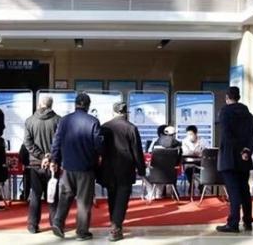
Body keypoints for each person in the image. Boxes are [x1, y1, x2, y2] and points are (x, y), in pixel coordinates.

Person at [51, 93, 103, 241]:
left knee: (65, 197)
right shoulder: (93, 121)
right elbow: (98, 145)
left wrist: (55, 159)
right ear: (88, 105)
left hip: (67, 167)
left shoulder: (64, 120)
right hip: (86, 168)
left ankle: (57, 222)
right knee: (84, 202)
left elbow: (57, 142)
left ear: (75, 104)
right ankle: (82, 232)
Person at [99, 102, 145, 242]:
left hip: (108, 168)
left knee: (112, 196)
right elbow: (137, 151)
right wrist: (141, 169)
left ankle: (114, 221)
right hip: (126, 168)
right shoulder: (131, 128)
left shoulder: (105, 127)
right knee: (122, 198)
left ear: (113, 112)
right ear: (126, 113)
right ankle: (116, 226)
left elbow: (100, 149)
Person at [216, 86, 253, 233]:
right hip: (244, 159)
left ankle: (233, 223)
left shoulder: (225, 112)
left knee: (233, 192)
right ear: (239, 97)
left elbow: (227, 135)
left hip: (229, 158)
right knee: (244, 190)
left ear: (227, 97)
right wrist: (246, 150)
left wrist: (239, 149)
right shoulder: (248, 114)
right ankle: (248, 221)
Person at [23, 96, 61, 234]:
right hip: (53, 164)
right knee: (53, 195)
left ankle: (32, 225)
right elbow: (59, 142)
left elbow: (27, 143)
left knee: (35, 195)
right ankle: (55, 224)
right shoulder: (58, 120)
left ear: (39, 104)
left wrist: (40, 156)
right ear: (51, 105)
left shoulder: (29, 121)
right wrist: (50, 156)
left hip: (35, 164)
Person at [145, 126, 182, 200]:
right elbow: (178, 160)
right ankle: (159, 193)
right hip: (171, 173)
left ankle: (151, 193)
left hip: (156, 172)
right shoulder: (178, 145)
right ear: (174, 134)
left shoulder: (156, 143)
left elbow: (152, 158)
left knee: (144, 171)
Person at [181, 125, 208, 194]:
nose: (189, 136)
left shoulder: (203, 141)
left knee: (205, 168)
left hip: (201, 163)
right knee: (187, 169)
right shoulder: (185, 141)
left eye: (191, 134)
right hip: (189, 162)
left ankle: (201, 185)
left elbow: (207, 151)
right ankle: (191, 184)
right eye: (188, 134)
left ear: (196, 134)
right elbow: (184, 152)